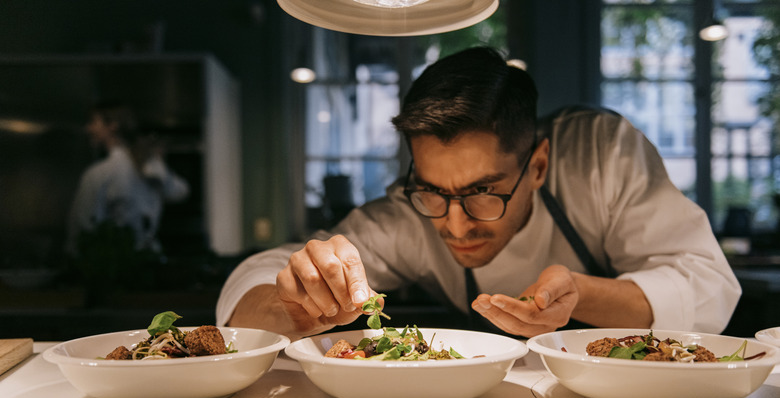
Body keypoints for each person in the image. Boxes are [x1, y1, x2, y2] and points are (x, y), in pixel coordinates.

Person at [217, 47, 740, 340]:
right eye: (433, 191)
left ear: (537, 166)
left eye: (482, 191)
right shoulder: (410, 215)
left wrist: (584, 293)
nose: (456, 223)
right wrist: (300, 303)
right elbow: (259, 279)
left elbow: (708, 285)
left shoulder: (601, 154)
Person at [65, 100, 190, 257]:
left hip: (114, 262)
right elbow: (180, 192)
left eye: (93, 122)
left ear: (113, 125)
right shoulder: (148, 164)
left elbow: (82, 228)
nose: (88, 128)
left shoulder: (101, 172)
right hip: (148, 259)